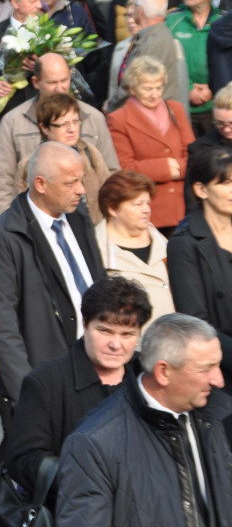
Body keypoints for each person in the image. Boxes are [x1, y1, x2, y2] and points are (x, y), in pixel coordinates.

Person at [55, 314, 232, 526]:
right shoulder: (93, 444)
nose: (219, 380)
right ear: (163, 372)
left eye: (218, 365)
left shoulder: (216, 414)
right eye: (205, 368)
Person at [4, 276, 153, 505]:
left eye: (127, 335)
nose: (116, 344)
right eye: (105, 331)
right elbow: (23, 459)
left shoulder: (147, 375)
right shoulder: (48, 380)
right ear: (85, 325)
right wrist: (88, 480)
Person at [0, 141, 106, 406]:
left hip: (99, 369)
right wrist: (29, 395)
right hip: (50, 382)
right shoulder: (3, 238)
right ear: (40, 184)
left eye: (81, 180)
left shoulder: (78, 217)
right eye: (70, 183)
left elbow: (98, 284)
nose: (81, 191)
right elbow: (2, 327)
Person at [0, 54, 119, 220]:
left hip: (91, 222)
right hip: (35, 223)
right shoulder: (14, 121)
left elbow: (112, 175)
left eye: (64, 80)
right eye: (52, 83)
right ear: (36, 82)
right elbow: (1, 182)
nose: (60, 88)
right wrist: (6, 231)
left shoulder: (93, 118)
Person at [169, 148, 232, 396]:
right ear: (201, 190)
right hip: (221, 372)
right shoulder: (184, 243)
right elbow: (196, 323)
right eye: (226, 182)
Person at [107, 56, 195, 232]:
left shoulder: (175, 109)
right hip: (152, 208)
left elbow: (193, 153)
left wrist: (178, 166)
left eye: (159, 87)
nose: (155, 94)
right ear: (132, 89)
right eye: (147, 89)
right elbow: (125, 167)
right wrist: (164, 168)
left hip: (184, 205)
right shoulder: (119, 119)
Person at [15, 93, 113, 225]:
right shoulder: (30, 164)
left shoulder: (90, 152)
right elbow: (26, 213)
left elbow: (109, 192)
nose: (72, 129)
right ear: (44, 127)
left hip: (94, 233)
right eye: (64, 124)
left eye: (75, 122)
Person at [95, 170, 175, 326]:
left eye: (147, 203)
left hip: (174, 340)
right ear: (112, 208)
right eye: (138, 204)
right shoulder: (96, 252)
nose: (146, 209)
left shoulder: (166, 244)